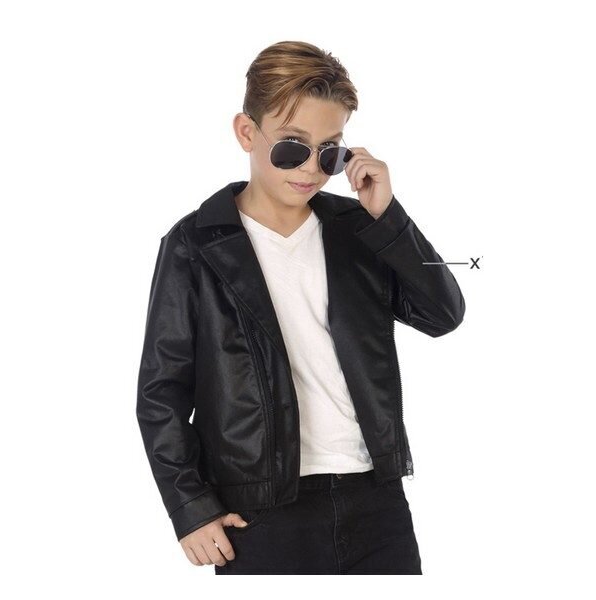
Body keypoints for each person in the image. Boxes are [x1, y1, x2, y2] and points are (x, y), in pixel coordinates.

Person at [136, 40, 466, 575]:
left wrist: (388, 218)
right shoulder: (195, 244)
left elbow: (443, 313)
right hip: (261, 513)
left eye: (330, 151)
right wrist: (190, 506)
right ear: (247, 132)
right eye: (292, 147)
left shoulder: (358, 229)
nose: (311, 168)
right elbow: (161, 394)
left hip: (377, 501)